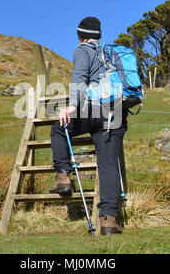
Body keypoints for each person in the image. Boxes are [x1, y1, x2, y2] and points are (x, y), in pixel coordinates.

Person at [49, 17, 128, 235]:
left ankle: (63, 176)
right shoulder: (111, 53)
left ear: (80, 35)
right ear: (99, 35)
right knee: (109, 164)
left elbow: (79, 76)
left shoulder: (83, 50)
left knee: (58, 129)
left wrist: (72, 106)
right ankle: (109, 221)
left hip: (92, 110)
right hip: (116, 114)